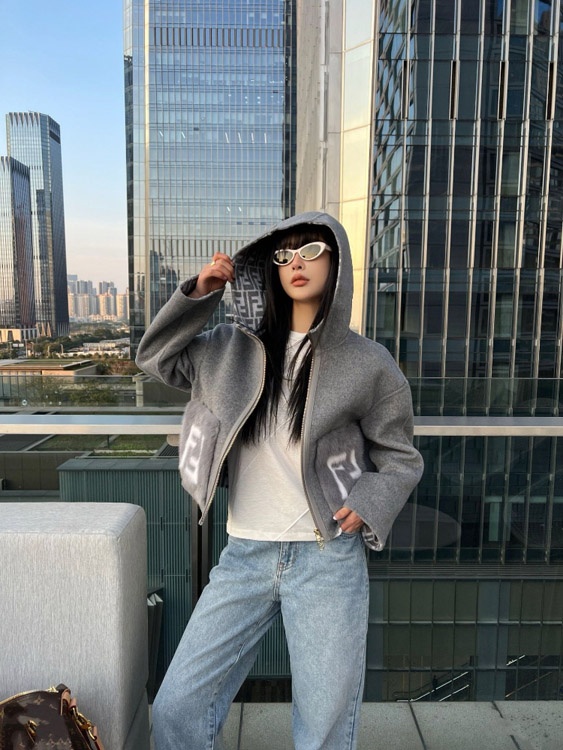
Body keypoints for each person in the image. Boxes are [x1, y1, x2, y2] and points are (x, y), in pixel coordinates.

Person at [136, 211, 424, 749]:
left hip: (327, 558)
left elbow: (400, 456)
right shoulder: (228, 347)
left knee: (323, 728)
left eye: (312, 250)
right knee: (177, 709)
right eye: (284, 254)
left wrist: (369, 501)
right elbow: (155, 357)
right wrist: (200, 293)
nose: (296, 263)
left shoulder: (368, 363)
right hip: (244, 553)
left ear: (337, 262)